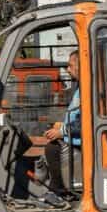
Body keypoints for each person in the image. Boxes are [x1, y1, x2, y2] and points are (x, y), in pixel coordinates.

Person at [41, 50, 81, 195]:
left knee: (53, 149)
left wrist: (62, 131)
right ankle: (55, 187)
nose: (68, 70)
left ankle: (59, 191)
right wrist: (62, 125)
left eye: (70, 66)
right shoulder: (79, 87)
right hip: (74, 134)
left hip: (81, 140)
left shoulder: (89, 88)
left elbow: (87, 121)